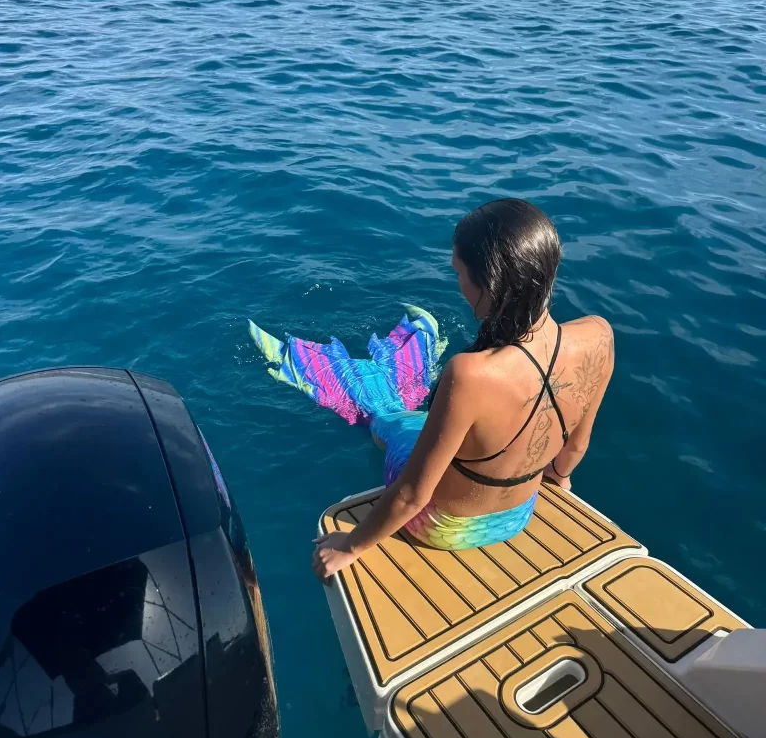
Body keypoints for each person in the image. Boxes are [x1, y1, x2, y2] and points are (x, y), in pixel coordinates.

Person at [249, 198, 614, 583]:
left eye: (460, 274)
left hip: (442, 528)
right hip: (518, 516)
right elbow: (574, 447)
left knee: (396, 422)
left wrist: (350, 547)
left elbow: (411, 497)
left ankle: (371, 395)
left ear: (488, 284)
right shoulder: (599, 336)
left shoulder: (470, 374)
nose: (459, 286)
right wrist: (560, 479)